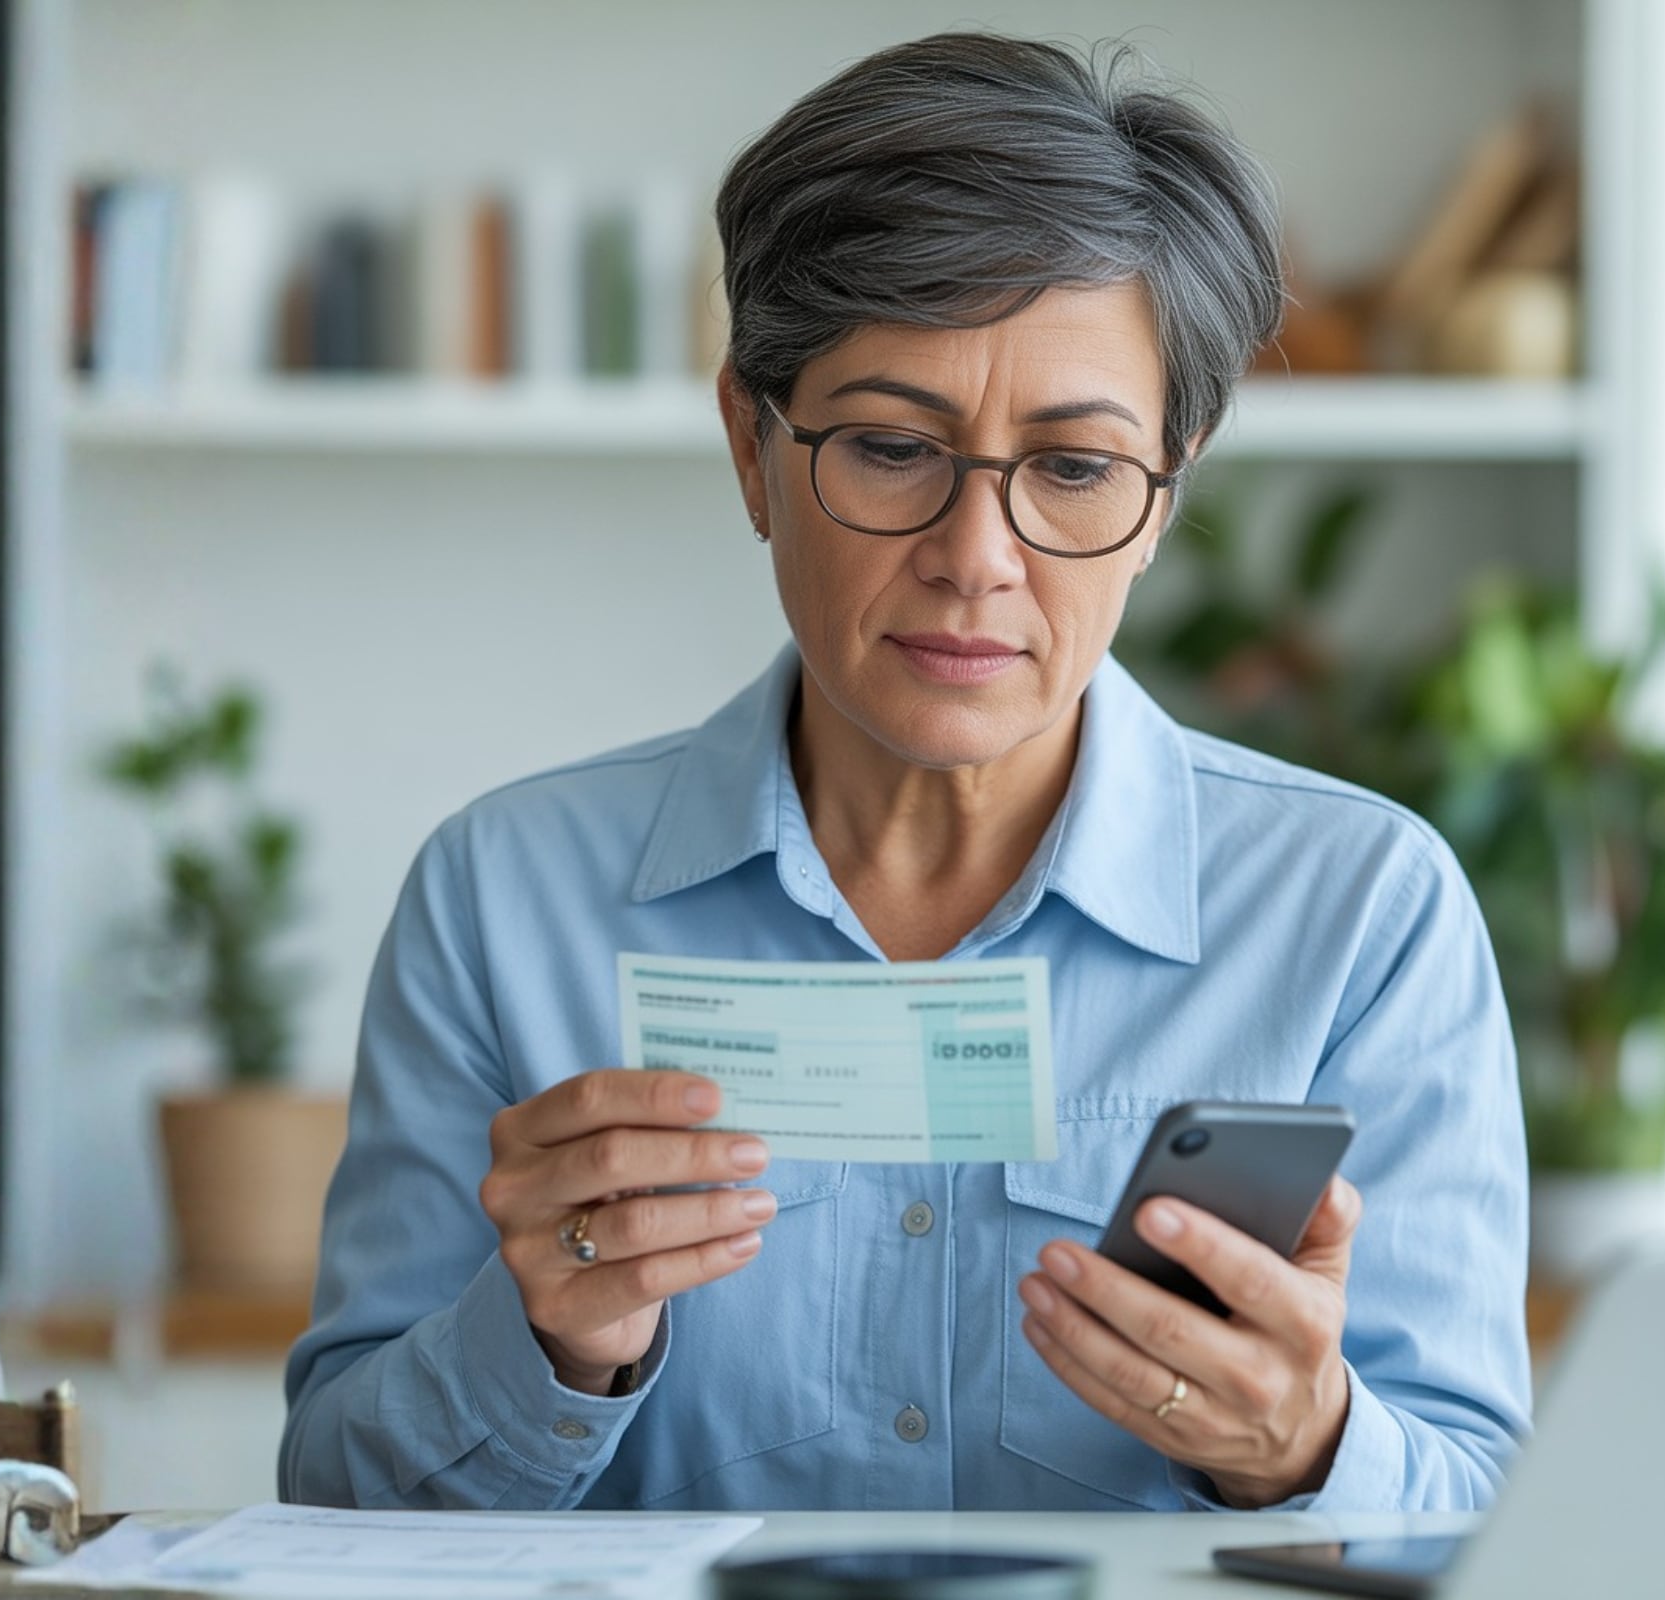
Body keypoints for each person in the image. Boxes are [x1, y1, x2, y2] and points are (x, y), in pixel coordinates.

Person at [281, 30, 1529, 1514]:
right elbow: (329, 1506)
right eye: (888, 447)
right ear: (753, 447)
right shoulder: (506, 899)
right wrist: (547, 1341)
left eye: (1072, 469)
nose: (975, 561)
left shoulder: (1359, 914)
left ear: (1164, 497)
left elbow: (1475, 1510)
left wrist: (1307, 1445)